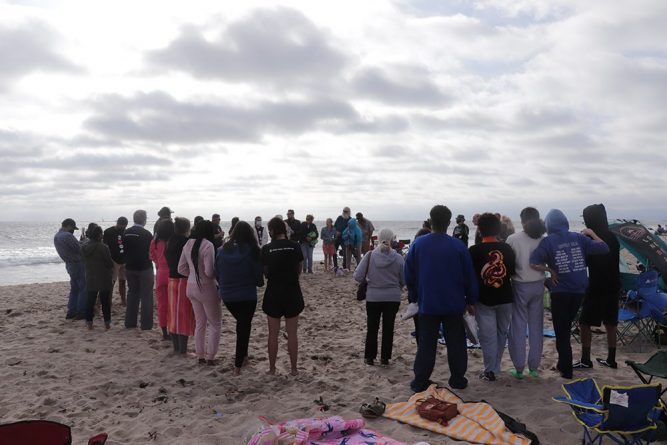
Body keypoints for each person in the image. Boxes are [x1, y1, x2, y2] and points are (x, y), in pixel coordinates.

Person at [404, 205, 478, 392]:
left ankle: (420, 380)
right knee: (456, 343)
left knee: (427, 343)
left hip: (428, 302)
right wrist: (471, 300)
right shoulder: (458, 246)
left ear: (431, 220)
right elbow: (469, 276)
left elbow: (409, 273)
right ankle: (458, 378)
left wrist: (414, 296)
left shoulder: (418, 244)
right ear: (448, 222)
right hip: (453, 303)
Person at [529, 209, 609, 379]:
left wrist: (550, 270)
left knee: (562, 331)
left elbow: (533, 263)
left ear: (548, 225)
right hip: (579, 291)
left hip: (560, 292)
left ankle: (566, 370)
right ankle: (562, 364)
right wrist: (592, 234)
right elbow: (604, 248)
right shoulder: (579, 237)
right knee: (566, 327)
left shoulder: (548, 241)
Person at [469, 213, 516, 381]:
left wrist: (469, 300)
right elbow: (511, 271)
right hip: (505, 297)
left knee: (488, 337)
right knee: (501, 333)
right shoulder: (507, 249)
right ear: (498, 229)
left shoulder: (473, 251)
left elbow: (470, 277)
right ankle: (494, 368)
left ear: (480, 230)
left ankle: (491, 370)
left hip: (484, 299)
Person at [575, 204, 621, 369]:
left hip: (597, 286)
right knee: (611, 323)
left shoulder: (591, 239)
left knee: (584, 322)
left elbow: (588, 260)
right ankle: (611, 359)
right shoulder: (613, 237)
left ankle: (586, 359)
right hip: (614, 285)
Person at [215, 221, 264, 375]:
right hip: (247, 295)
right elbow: (259, 279)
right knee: (243, 327)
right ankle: (238, 365)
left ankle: (244, 357)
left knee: (243, 324)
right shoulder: (253, 250)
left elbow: (217, 273)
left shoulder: (222, 250)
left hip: (228, 296)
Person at [354, 228, 405, 366]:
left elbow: (357, 276)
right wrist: (397, 285)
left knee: (372, 327)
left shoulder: (370, 255)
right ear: (392, 240)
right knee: (388, 328)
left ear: (378, 239)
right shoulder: (399, 258)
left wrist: (370, 280)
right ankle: (385, 358)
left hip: (373, 297)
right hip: (393, 297)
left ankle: (369, 357)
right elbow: (404, 279)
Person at [506, 207, 546, 379]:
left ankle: (519, 367)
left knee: (518, 327)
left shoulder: (513, 239)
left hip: (520, 285)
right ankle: (534, 368)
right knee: (536, 327)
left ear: (522, 221)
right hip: (539, 284)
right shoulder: (543, 239)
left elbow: (507, 263)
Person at [261, 217, 304, 375]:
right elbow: (299, 268)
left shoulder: (266, 248)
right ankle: (294, 369)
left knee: (273, 333)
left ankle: (272, 369)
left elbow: (265, 271)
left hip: (273, 292)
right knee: (292, 333)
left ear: (272, 231)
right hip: (292, 291)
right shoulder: (295, 246)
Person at [178, 220, 221, 365]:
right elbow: (209, 272)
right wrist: (217, 275)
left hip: (190, 287)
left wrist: (192, 275)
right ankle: (210, 356)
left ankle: (200, 355)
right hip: (206, 287)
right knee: (215, 324)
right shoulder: (208, 245)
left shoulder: (188, 244)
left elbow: (180, 268)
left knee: (200, 322)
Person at [164, 217, 195, 356]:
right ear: (186, 228)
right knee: (184, 314)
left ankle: (176, 347)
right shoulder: (186, 242)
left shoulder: (169, 242)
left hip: (171, 279)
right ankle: (183, 350)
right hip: (184, 280)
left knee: (172, 313)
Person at [123, 210, 154, 330]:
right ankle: (146, 324)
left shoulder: (126, 232)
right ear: (144, 219)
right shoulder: (146, 234)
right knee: (146, 296)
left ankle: (130, 322)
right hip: (144, 267)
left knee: (132, 294)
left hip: (130, 267)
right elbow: (151, 251)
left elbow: (122, 249)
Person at [54, 218, 87, 320]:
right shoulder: (68, 236)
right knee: (83, 287)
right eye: (72, 228)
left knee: (74, 288)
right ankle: (81, 311)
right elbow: (79, 249)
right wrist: (84, 242)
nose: (73, 230)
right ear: (68, 226)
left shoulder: (57, 236)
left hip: (68, 264)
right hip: (77, 263)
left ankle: (71, 311)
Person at [82, 225, 113, 330]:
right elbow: (109, 263)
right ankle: (107, 323)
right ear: (100, 235)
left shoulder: (84, 247)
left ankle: (89, 323)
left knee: (90, 301)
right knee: (105, 302)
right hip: (104, 276)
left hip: (90, 276)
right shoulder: (104, 247)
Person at [150, 219, 174, 340]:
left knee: (162, 304)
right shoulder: (173, 242)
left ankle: (164, 330)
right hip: (172, 274)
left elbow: (152, 256)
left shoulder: (155, 242)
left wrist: (158, 263)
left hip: (160, 274)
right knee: (173, 304)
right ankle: (173, 329)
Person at [103, 217, 128, 306]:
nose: (124, 228)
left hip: (124, 260)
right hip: (113, 260)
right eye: (123, 226)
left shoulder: (126, 231)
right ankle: (108, 301)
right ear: (118, 223)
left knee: (123, 281)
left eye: (125, 226)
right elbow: (105, 247)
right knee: (111, 282)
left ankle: (123, 300)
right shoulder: (108, 232)